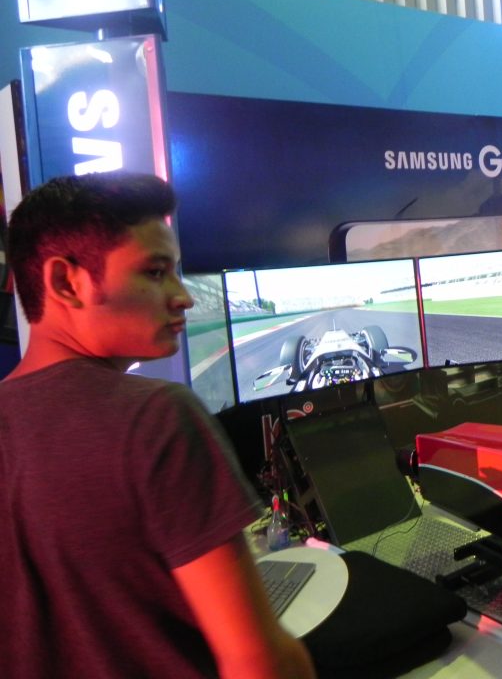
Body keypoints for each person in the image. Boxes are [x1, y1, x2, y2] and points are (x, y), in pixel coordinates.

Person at [0, 174, 316, 678]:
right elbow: (258, 663)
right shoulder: (156, 416)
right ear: (65, 283)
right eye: (154, 272)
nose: (182, 297)